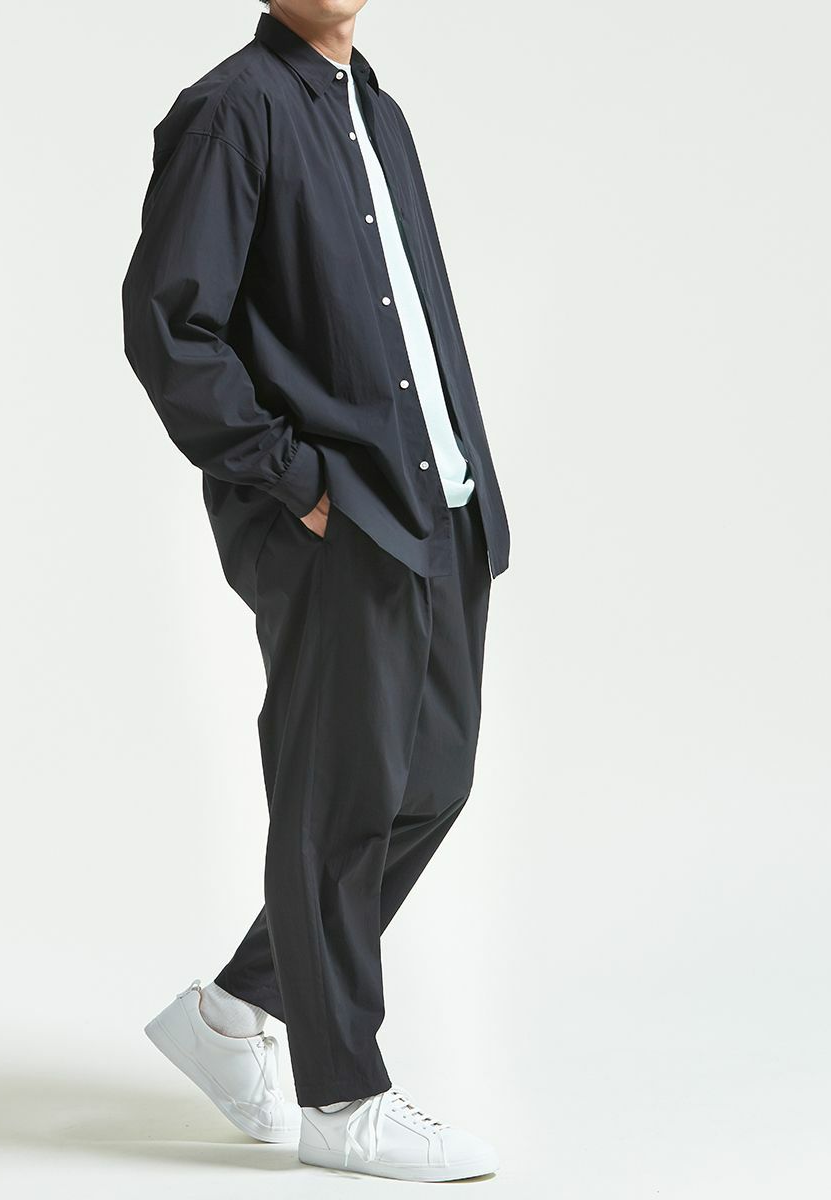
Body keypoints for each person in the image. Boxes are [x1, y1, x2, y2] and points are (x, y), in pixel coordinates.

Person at [121, 0, 510, 1182]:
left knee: (431, 780)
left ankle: (235, 1011)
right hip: (338, 522)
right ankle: (344, 1100)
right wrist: (294, 481)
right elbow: (170, 328)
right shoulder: (230, 112)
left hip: (432, 505)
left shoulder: (373, 110)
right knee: (338, 803)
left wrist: (463, 481)